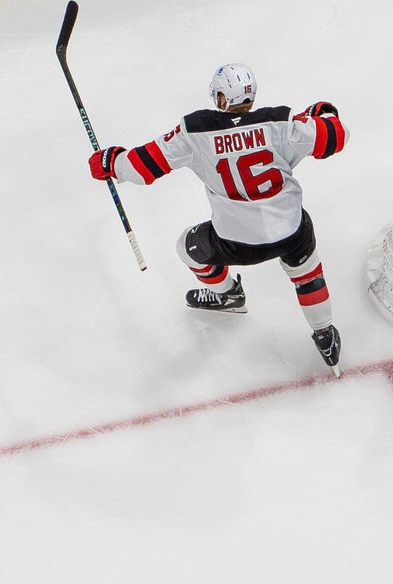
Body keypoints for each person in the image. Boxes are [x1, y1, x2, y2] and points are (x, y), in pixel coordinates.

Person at [87, 63, 348, 375]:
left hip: (235, 243)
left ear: (222, 98)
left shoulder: (196, 130)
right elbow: (335, 137)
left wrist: (111, 161)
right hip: (292, 231)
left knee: (188, 247)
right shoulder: (281, 121)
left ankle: (228, 295)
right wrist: (323, 112)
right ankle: (325, 335)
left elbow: (140, 168)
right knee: (306, 271)